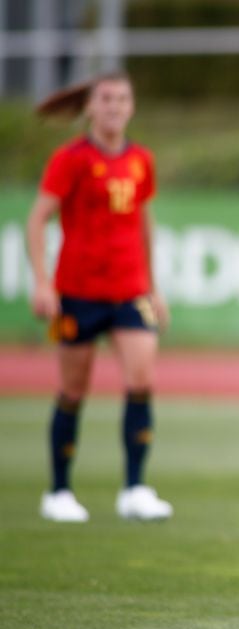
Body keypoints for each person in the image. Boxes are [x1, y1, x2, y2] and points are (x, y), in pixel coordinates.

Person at [27, 71, 173, 523]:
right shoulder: (70, 159)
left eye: (122, 99)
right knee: (73, 390)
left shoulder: (140, 160)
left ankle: (134, 488)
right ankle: (59, 491)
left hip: (129, 290)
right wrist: (42, 281)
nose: (114, 106)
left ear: (131, 106)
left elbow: (143, 222)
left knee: (142, 380)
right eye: (106, 99)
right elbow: (37, 221)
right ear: (90, 107)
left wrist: (153, 285)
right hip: (79, 292)